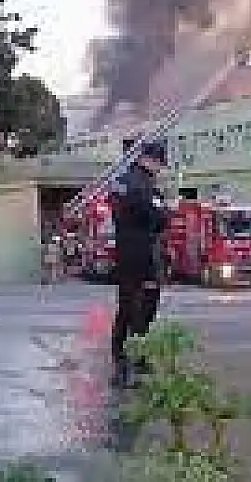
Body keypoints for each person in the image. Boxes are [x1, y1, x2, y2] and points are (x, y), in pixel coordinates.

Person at [108, 140, 170, 387]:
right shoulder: (143, 184)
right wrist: (165, 211)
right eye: (158, 163)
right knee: (145, 306)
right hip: (143, 252)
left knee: (127, 306)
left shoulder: (121, 182)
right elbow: (157, 217)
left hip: (125, 252)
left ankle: (123, 358)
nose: (159, 168)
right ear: (149, 160)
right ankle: (136, 356)